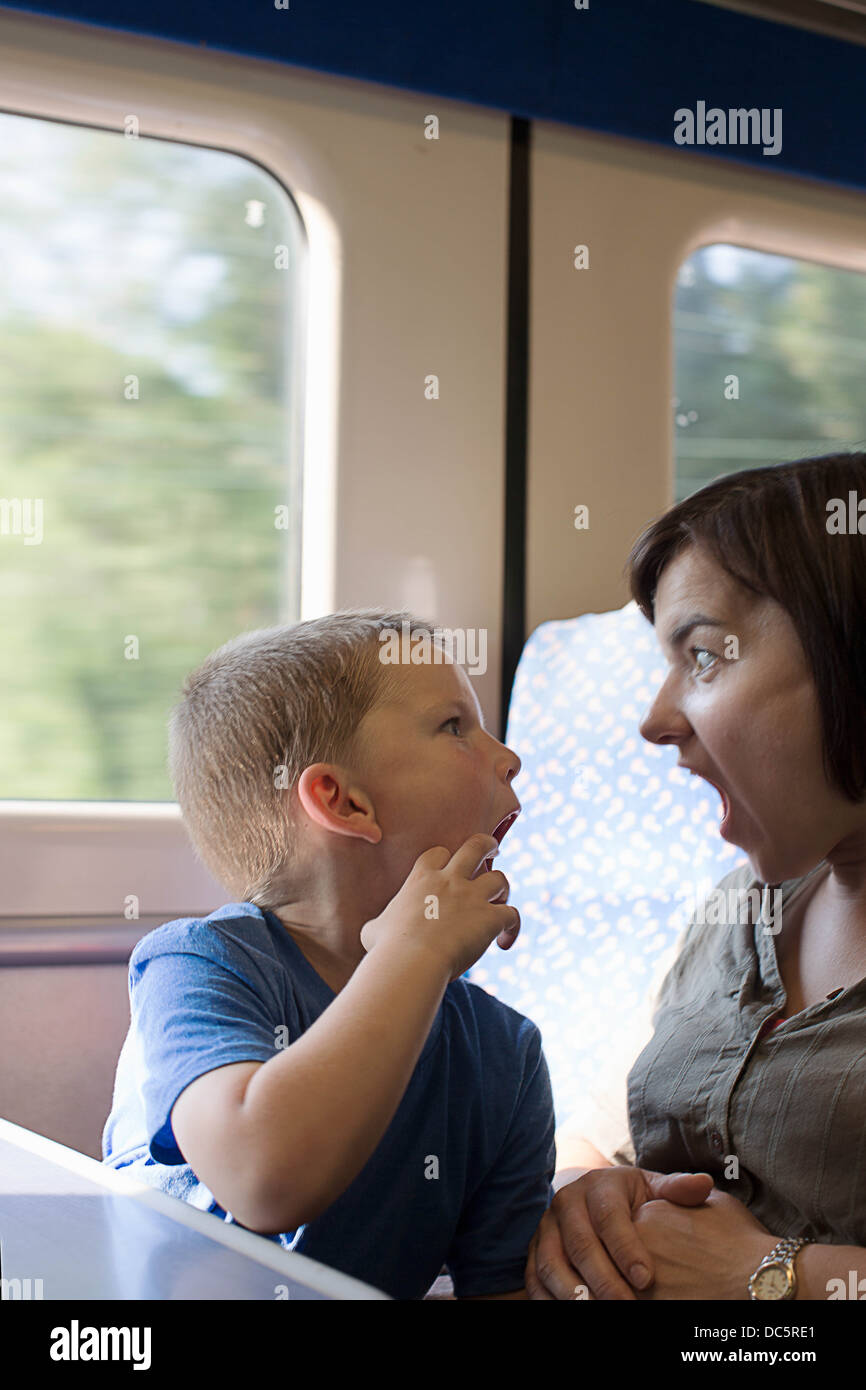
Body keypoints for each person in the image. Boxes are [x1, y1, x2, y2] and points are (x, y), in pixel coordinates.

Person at [103, 610, 556, 1300]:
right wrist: (416, 953)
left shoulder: (507, 1056)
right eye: (454, 726)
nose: (508, 756)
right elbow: (261, 1176)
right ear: (343, 802)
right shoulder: (198, 967)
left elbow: (500, 1289)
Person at [526, 452, 866, 1301]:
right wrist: (590, 1199)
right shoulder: (741, 911)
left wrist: (764, 1278)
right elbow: (612, 1141)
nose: (655, 719)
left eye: (707, 656)